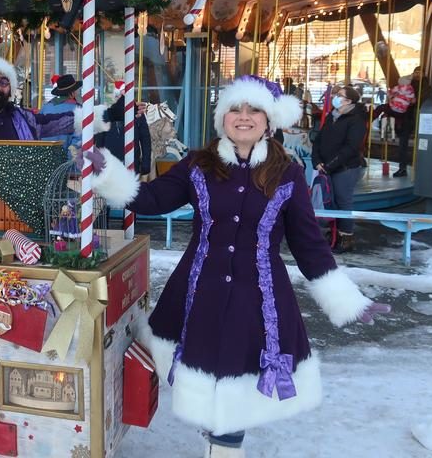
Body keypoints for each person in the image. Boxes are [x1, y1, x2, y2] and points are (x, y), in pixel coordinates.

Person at [89, 75, 389, 458]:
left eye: (254, 110)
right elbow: (151, 198)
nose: (243, 116)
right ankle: (216, 441)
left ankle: (224, 446)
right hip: (200, 294)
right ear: (222, 118)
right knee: (206, 383)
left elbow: (308, 243)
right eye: (235, 108)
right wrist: (107, 173)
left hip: (257, 301)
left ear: (269, 120)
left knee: (236, 389)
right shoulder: (199, 164)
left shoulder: (287, 172)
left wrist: (348, 300)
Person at [0, 57, 129, 140]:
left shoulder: (24, 119)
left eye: (4, 82)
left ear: (10, 90)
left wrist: (111, 113)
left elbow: (66, 122)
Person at [311, 85, 368, 252]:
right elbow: (319, 139)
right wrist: (317, 160)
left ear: (349, 100)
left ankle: (346, 236)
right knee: (331, 201)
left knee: (343, 201)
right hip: (327, 166)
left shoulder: (356, 120)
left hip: (345, 168)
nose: (335, 97)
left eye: (339, 95)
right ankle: (333, 232)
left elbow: (351, 147)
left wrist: (329, 165)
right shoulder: (332, 116)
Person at [96, 93, 153, 177]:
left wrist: (146, 163)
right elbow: (100, 142)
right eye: (117, 96)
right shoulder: (105, 115)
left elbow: (145, 140)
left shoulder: (137, 114)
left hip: (132, 163)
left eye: (121, 96)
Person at [39, 73, 82, 154]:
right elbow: (79, 139)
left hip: (45, 157)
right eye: (76, 90)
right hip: (66, 159)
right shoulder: (78, 109)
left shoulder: (45, 108)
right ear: (72, 93)